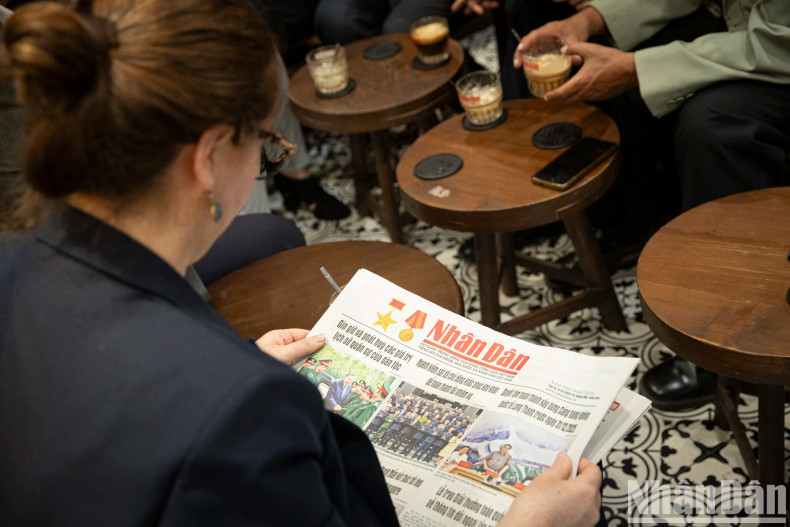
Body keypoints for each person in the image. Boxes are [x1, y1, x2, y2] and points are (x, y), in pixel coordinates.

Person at [0, 4, 605, 523]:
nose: (268, 157)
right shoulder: (238, 413)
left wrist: (236, 366)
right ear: (209, 158)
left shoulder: (15, 265)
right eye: (268, 142)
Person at [515, 0, 790, 410]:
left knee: (713, 125)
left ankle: (728, 339)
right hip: (744, 21)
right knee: (589, 40)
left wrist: (638, 68)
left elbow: (778, 42)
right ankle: (638, 225)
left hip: (778, 45)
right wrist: (588, 20)